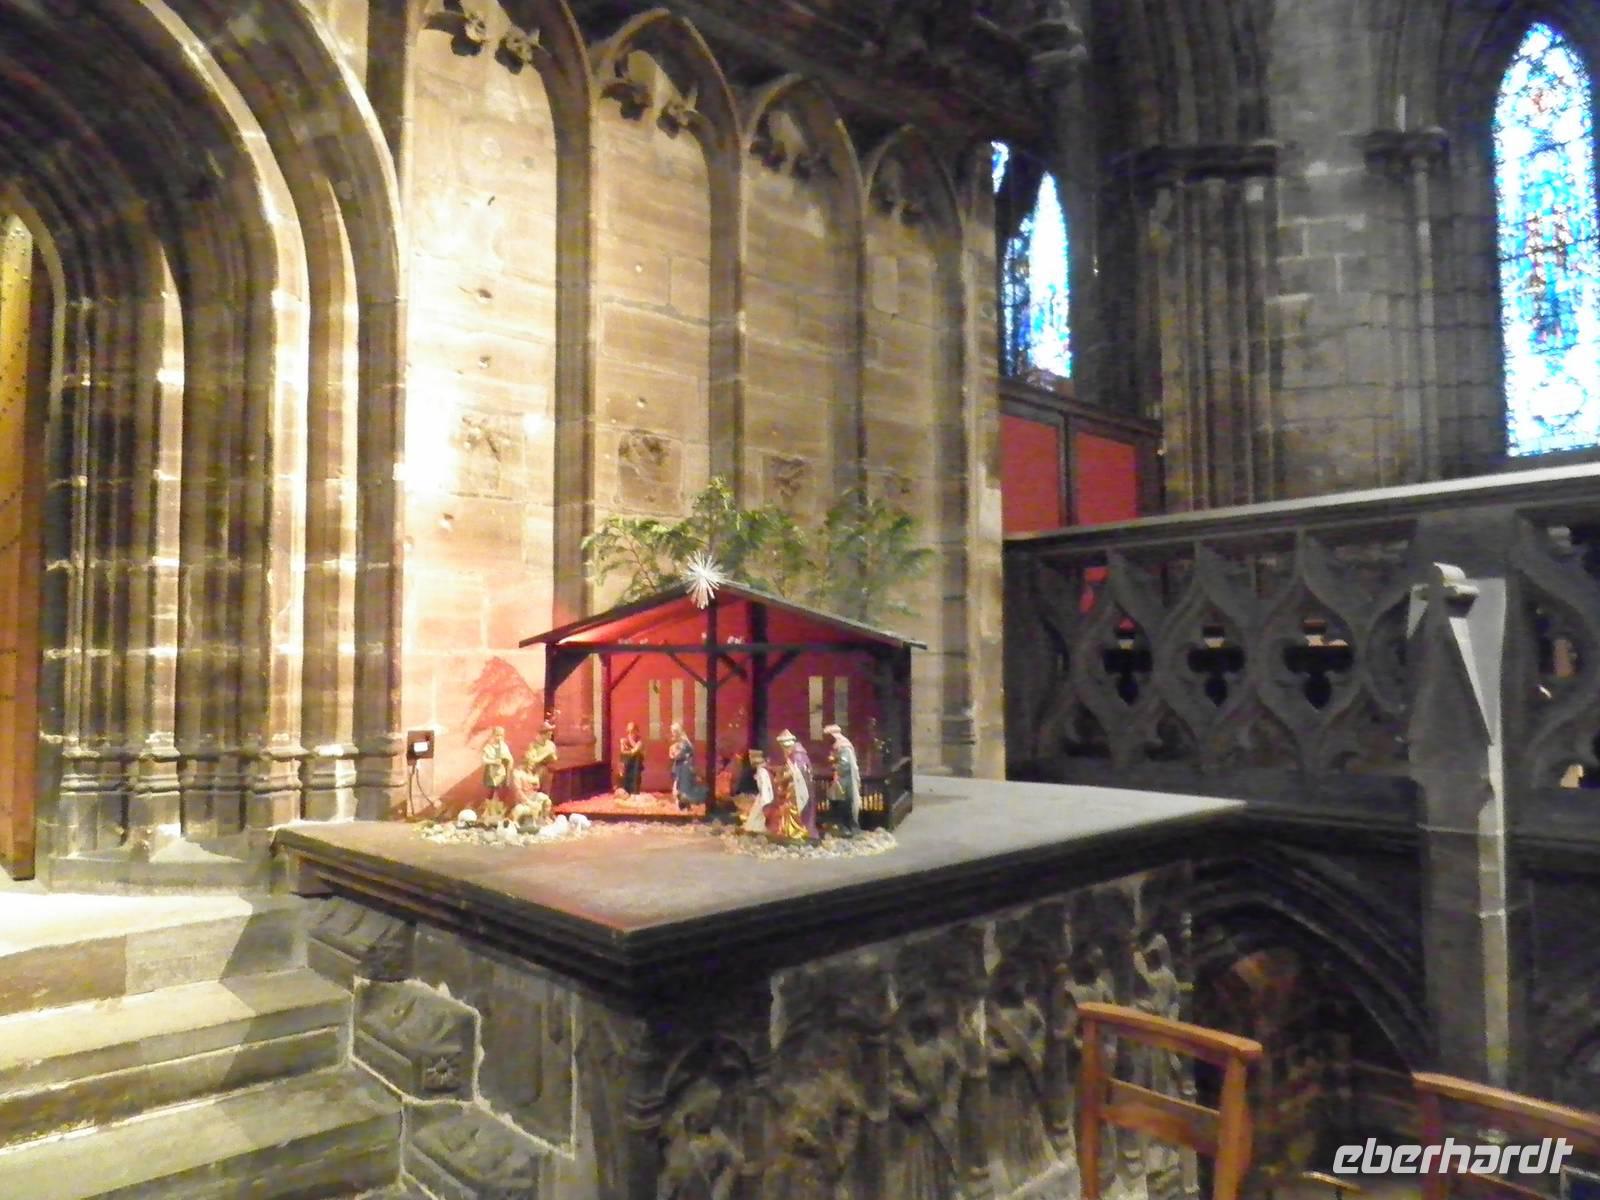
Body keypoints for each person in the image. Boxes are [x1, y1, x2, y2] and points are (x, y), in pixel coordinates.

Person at [775, 730, 816, 838]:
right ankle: (789, 829)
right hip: (793, 787)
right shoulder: (793, 756)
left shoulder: (798, 756)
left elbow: (796, 772)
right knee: (788, 807)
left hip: (798, 788)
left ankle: (796, 830)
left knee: (794, 808)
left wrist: (782, 778)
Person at [822, 724, 861, 831]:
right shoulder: (837, 746)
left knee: (844, 802)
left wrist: (835, 765)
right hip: (839, 778)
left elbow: (845, 764)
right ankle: (838, 824)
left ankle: (846, 826)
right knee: (834, 798)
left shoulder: (844, 747)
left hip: (844, 779)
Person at [479, 726, 515, 819]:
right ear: (493, 735)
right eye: (497, 735)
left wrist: (509, 762)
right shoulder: (488, 747)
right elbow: (483, 760)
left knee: (500, 791)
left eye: (501, 735)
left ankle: (498, 812)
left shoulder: (504, 747)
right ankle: (489, 811)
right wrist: (493, 761)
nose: (499, 738)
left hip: (501, 772)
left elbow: (509, 757)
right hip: (491, 772)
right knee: (491, 791)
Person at [740, 750, 775, 833]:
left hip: (764, 800)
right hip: (761, 798)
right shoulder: (760, 770)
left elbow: (765, 789)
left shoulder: (762, 772)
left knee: (758, 819)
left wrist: (764, 803)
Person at [668, 721, 700, 808]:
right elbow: (673, 755)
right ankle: (683, 806)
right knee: (679, 789)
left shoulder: (684, 743)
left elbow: (679, 755)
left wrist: (674, 752)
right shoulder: (678, 743)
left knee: (679, 790)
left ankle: (683, 807)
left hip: (684, 769)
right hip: (680, 768)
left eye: (673, 732)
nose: (672, 734)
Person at [618, 721, 645, 795]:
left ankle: (635, 793)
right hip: (626, 763)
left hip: (636, 764)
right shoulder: (624, 740)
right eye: (629, 731)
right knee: (624, 778)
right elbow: (622, 751)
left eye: (632, 731)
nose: (630, 733)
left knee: (635, 779)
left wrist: (630, 740)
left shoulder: (639, 740)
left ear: (636, 731)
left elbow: (636, 749)